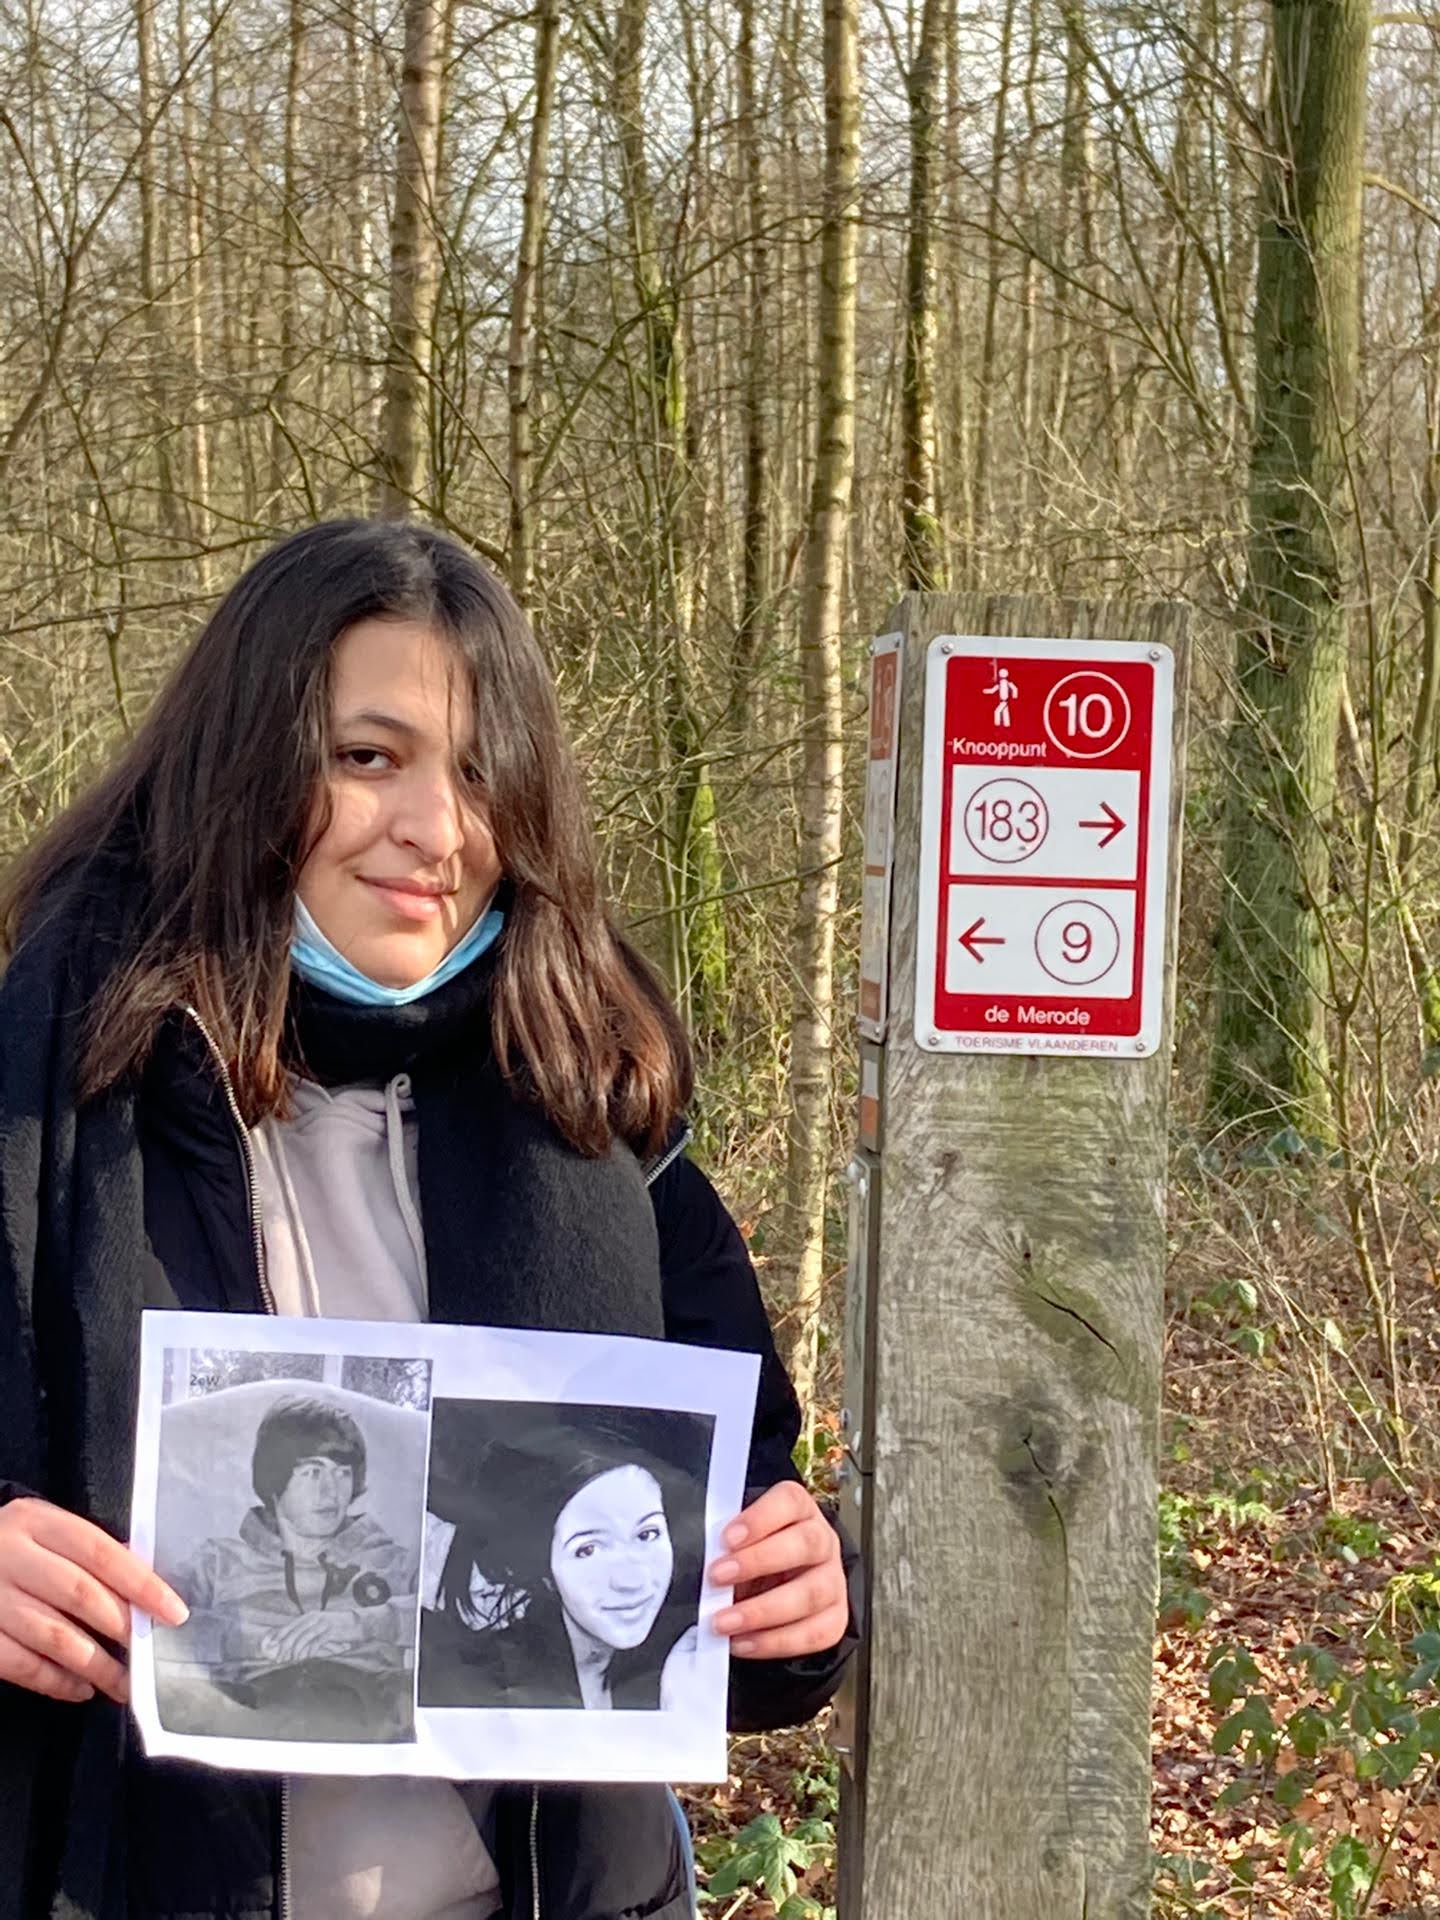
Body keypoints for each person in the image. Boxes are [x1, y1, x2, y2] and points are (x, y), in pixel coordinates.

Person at [0, 518, 857, 1920]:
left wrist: (801, 1598)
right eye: (367, 757)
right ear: (240, 763)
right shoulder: (41, 1097)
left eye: (479, 774)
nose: (436, 831)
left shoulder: (600, 1109)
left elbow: (739, 1528)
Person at [158, 1393, 418, 1742]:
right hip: (244, 1727)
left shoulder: (390, 1560)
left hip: (368, 1727)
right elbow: (152, 1621)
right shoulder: (218, 1562)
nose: (331, 1492)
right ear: (275, 1479)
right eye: (313, 1472)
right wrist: (253, 1640)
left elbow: (447, 1624)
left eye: (343, 1473)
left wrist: (359, 1625)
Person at [418, 1407, 706, 1712]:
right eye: (588, 1550)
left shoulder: (694, 1660)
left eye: (647, 1534)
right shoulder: (486, 1681)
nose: (631, 1581)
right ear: (545, 1569)